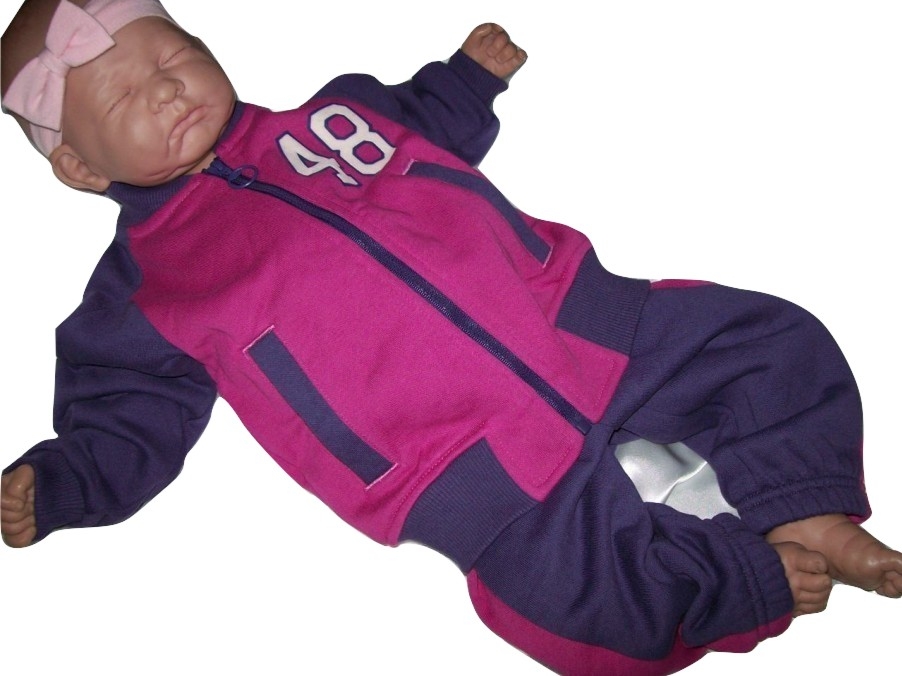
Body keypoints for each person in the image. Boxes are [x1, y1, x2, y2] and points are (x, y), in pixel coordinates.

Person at [1, 1, 900, 674]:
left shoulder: (335, 116)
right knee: (575, 602)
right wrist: (64, 481)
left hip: (578, 319)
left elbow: (420, 121)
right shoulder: (147, 288)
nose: (164, 87)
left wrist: (468, 80)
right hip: (451, 458)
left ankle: (802, 501)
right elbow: (124, 409)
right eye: (122, 95)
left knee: (770, 343)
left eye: (174, 55)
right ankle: (742, 581)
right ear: (78, 167)